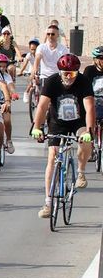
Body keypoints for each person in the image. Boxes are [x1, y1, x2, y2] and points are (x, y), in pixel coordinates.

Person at [32, 53, 97, 214]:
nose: (68, 77)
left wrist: (89, 130)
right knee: (52, 157)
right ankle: (47, 202)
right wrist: (36, 127)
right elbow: (42, 106)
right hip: (57, 122)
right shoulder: (52, 81)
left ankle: (81, 172)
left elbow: (89, 107)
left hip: (78, 121)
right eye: (65, 73)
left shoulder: (83, 81)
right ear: (59, 72)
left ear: (77, 72)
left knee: (86, 141)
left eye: (72, 73)